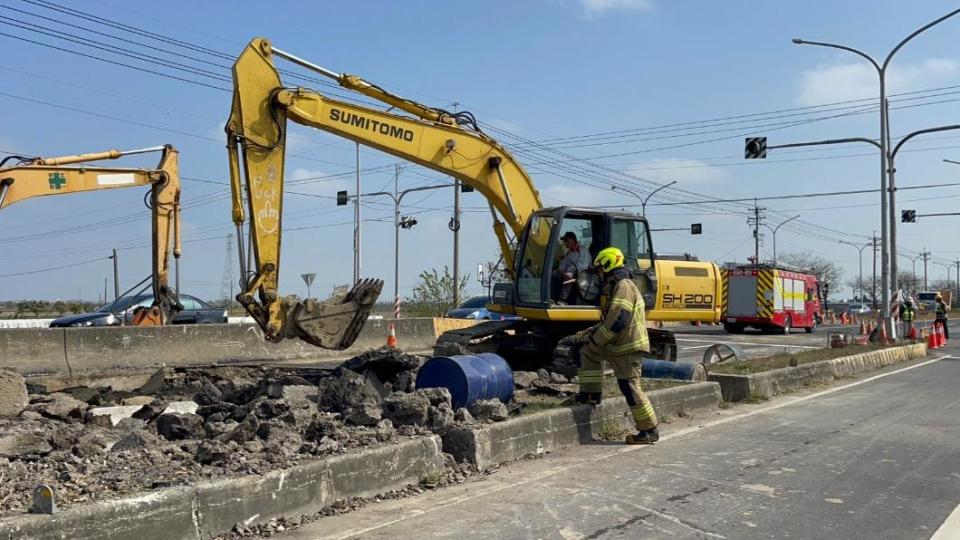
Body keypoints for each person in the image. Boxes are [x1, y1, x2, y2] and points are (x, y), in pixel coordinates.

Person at [572, 246, 659, 445]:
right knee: (586, 350)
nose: (599, 275)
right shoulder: (617, 286)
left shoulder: (623, 286)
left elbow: (618, 320)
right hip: (618, 345)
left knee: (629, 387)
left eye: (600, 270)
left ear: (608, 267)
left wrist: (597, 339)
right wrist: (589, 335)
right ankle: (590, 394)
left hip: (627, 346)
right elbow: (610, 319)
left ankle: (649, 429)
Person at [556, 231, 591, 304]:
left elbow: (582, 267)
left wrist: (568, 273)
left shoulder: (582, 251)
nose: (564, 242)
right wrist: (561, 270)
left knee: (568, 276)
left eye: (566, 240)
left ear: (572, 240)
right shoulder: (569, 252)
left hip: (582, 275)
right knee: (554, 274)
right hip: (570, 273)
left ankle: (563, 299)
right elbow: (563, 263)